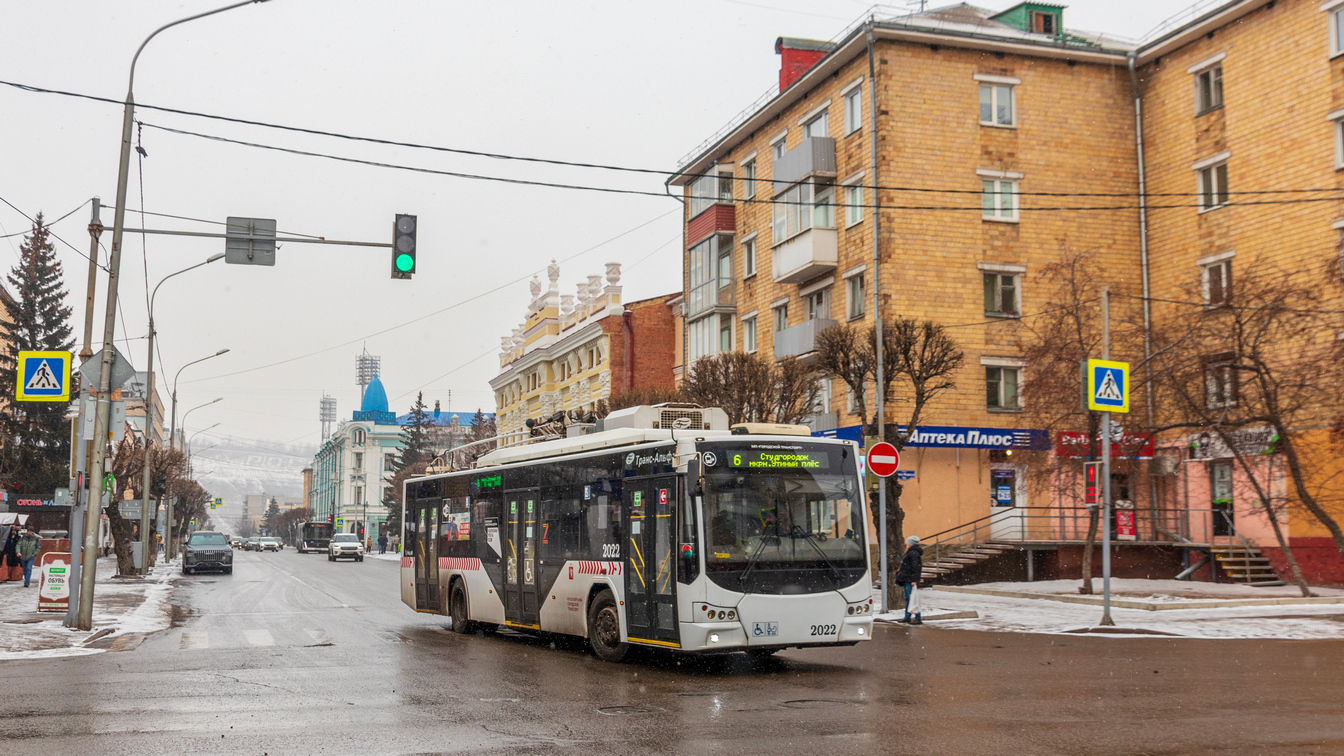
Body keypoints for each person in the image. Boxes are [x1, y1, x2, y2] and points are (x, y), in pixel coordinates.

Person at [894, 535, 924, 625]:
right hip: (908, 579)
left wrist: (914, 580)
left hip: (910, 580)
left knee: (911, 599)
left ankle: (917, 618)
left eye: (908, 542)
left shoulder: (913, 553)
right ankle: (908, 617)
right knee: (909, 598)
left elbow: (916, 568)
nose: (907, 544)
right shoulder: (912, 552)